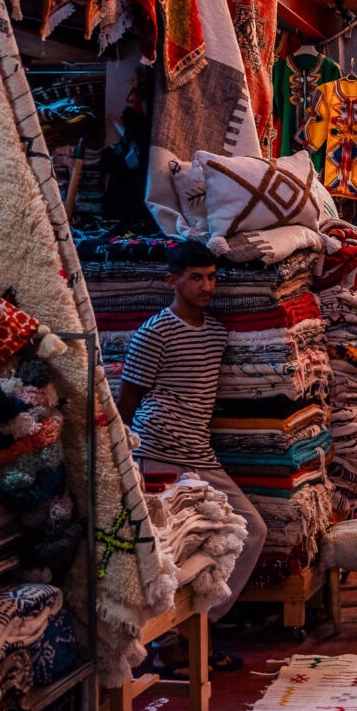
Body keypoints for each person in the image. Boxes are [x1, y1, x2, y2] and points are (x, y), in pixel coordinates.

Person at [115, 241, 267, 636]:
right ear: (173, 281)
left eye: (212, 277)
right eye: (196, 278)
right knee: (172, 548)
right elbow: (128, 399)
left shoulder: (216, 333)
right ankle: (170, 641)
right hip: (158, 450)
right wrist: (124, 460)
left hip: (200, 454)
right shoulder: (155, 332)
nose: (206, 286)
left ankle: (198, 625)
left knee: (251, 529)